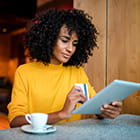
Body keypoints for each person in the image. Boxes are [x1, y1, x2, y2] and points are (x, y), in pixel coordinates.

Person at [7, 8, 122, 128]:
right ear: (49, 39)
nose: (70, 49)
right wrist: (61, 114)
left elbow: (94, 106)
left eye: (74, 44)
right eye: (65, 40)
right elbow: (15, 121)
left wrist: (106, 110)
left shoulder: (77, 71)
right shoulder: (25, 72)